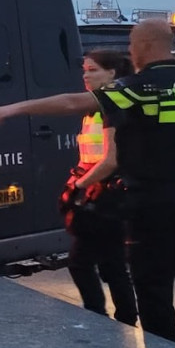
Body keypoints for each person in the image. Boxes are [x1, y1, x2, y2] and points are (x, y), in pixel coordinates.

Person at [0, 20, 175, 348]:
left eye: (132, 44)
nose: (130, 50)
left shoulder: (136, 88)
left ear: (143, 46)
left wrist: (16, 108)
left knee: (153, 289)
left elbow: (73, 104)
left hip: (150, 205)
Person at [59, 51, 137, 325]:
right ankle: (124, 317)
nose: (85, 75)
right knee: (111, 263)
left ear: (112, 73)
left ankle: (97, 316)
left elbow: (110, 159)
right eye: (84, 69)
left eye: (92, 70)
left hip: (105, 196)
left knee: (82, 262)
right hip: (102, 193)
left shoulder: (110, 107)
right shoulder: (94, 108)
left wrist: (79, 186)